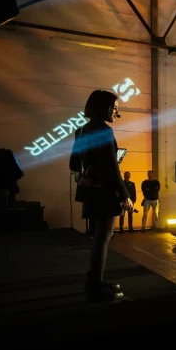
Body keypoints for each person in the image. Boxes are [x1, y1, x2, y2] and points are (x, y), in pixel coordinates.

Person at [70, 90, 134, 302]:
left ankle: (94, 280)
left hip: (89, 191)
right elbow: (111, 169)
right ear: (104, 107)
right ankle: (96, 286)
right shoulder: (104, 132)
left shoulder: (81, 131)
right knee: (103, 239)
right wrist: (125, 195)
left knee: (98, 239)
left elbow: (73, 164)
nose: (117, 112)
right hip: (104, 192)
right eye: (115, 107)